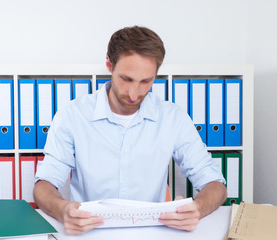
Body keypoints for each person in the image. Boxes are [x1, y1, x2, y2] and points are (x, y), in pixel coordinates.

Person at [33, 26, 227, 235]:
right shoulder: (72, 115)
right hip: (90, 232)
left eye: (146, 81)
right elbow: (44, 185)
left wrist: (197, 209)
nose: (134, 94)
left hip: (154, 232)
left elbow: (215, 185)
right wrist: (62, 210)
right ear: (109, 64)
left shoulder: (173, 117)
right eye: (126, 79)